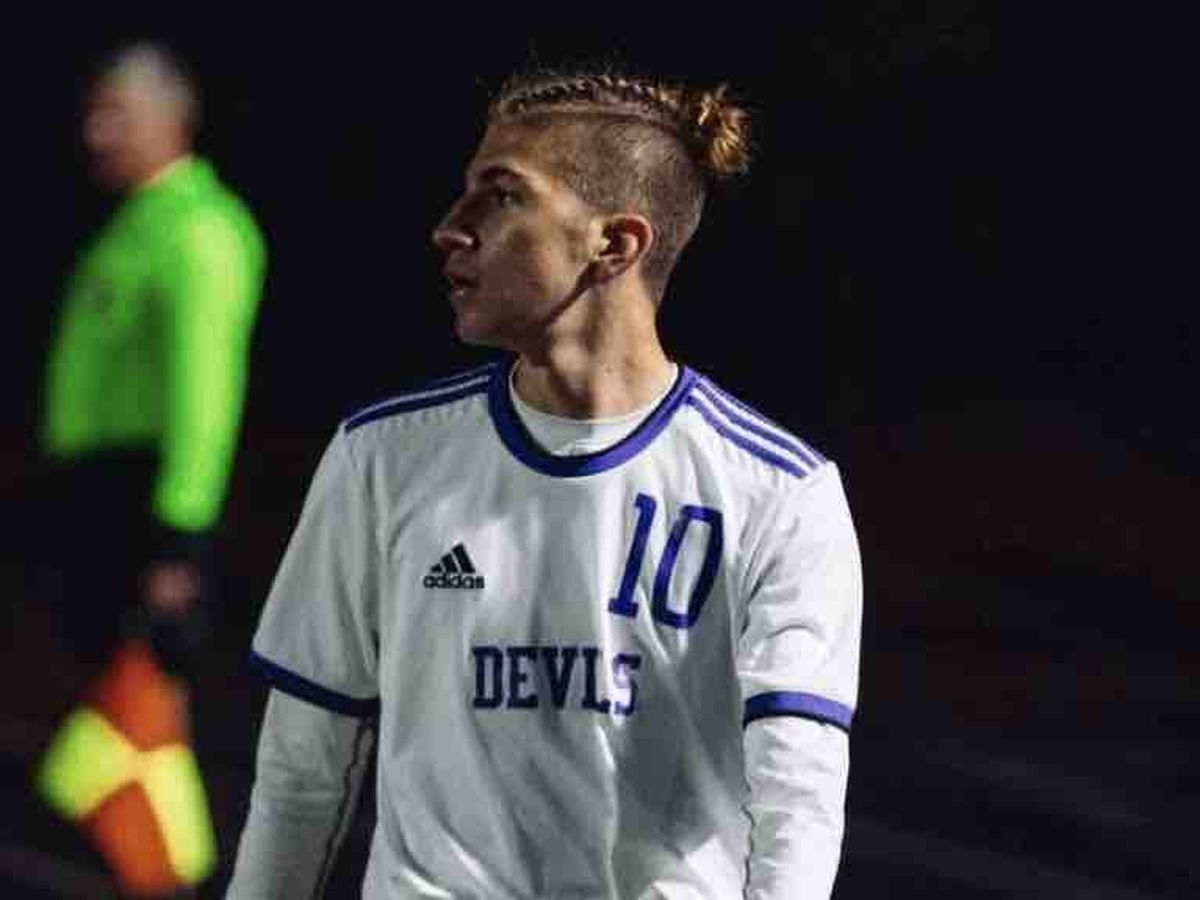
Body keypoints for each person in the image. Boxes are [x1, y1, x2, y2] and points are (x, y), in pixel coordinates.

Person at [228, 66, 861, 899]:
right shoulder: (382, 457)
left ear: (615, 244)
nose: (450, 229)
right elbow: (300, 769)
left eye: (501, 197)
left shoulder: (779, 495)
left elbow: (798, 800)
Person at [37, 41, 266, 678]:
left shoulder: (199, 230)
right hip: (94, 496)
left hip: (144, 502)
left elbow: (206, 394)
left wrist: (178, 542)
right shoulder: (132, 223)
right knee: (99, 700)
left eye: (117, 115)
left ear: (173, 119)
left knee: (141, 707)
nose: (96, 133)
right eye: (93, 114)